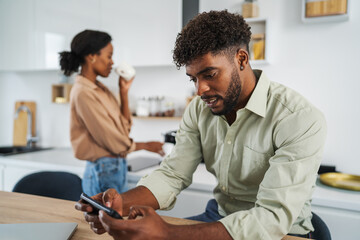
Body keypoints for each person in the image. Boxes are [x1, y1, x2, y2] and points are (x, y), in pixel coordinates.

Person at [75, 11, 327, 240]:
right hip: (218, 218)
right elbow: (173, 174)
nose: (200, 90)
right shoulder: (198, 110)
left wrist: (168, 233)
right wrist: (121, 202)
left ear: (241, 59)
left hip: (284, 234)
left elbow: (272, 218)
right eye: (193, 78)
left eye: (209, 74)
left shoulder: (298, 118)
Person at [59, 30, 164, 196]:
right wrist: (144, 146)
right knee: (107, 220)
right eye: (109, 56)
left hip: (113, 167)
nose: (112, 62)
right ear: (92, 56)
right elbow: (111, 139)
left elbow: (124, 129)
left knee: (115, 220)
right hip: (103, 170)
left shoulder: (100, 89)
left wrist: (124, 92)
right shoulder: (83, 92)